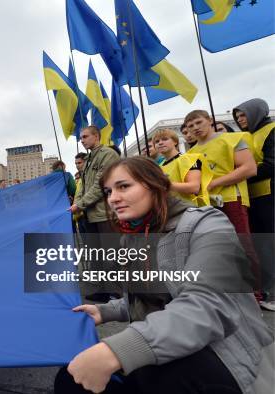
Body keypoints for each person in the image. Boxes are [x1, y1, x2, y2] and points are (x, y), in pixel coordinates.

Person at [55, 156, 274, 394]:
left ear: (156, 185)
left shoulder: (207, 224)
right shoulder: (133, 236)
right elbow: (156, 297)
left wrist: (117, 350)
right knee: (70, 378)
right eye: (108, 191)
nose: (113, 198)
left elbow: (208, 304)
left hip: (221, 355)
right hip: (166, 351)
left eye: (124, 186)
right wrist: (105, 311)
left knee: (156, 374)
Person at [185, 110, 261, 299]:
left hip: (231, 199)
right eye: (190, 126)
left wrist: (215, 183)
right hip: (206, 204)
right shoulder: (191, 153)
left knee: (243, 246)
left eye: (198, 122)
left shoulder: (233, 139)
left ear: (210, 121)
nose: (195, 128)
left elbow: (249, 168)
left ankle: (255, 294)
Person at [234, 98, 275, 311]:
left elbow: (271, 164)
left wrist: (241, 173)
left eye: (244, 115)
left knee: (267, 244)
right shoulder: (247, 136)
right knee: (260, 246)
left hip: (270, 194)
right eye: (238, 116)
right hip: (255, 196)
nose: (241, 120)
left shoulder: (272, 130)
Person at [71, 126, 120, 302]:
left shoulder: (107, 154)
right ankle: (102, 290)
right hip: (90, 214)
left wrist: (80, 204)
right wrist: (78, 204)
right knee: (96, 254)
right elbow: (83, 186)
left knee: (111, 254)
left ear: (96, 136)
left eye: (85, 136)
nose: (81, 140)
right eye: (80, 137)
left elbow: (101, 184)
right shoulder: (90, 158)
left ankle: (119, 292)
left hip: (105, 214)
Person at [153, 128, 209, 206]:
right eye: (157, 141)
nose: (160, 143)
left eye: (165, 139)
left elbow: (194, 187)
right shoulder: (158, 167)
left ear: (175, 142)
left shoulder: (188, 158)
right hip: (170, 209)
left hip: (191, 208)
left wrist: (164, 184)